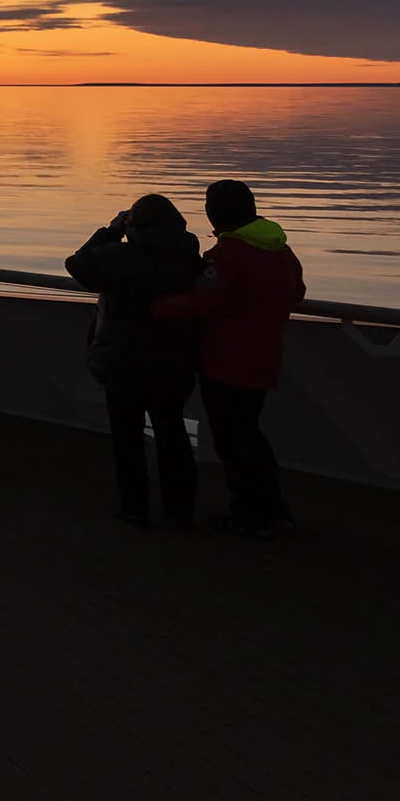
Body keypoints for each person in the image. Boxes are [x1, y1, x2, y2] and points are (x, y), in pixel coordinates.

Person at [153, 179, 307, 539]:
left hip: (226, 361)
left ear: (217, 212)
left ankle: (251, 515)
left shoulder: (226, 255)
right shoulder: (280, 251)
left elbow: (202, 302)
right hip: (265, 357)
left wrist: (155, 307)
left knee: (233, 441)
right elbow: (297, 292)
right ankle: (273, 511)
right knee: (250, 436)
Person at [64, 194, 205, 528]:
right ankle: (180, 511)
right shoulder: (191, 260)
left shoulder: (122, 257)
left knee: (127, 438)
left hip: (124, 362)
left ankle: (134, 507)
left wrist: (112, 231)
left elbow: (77, 264)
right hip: (174, 362)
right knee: (172, 435)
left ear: (135, 225)